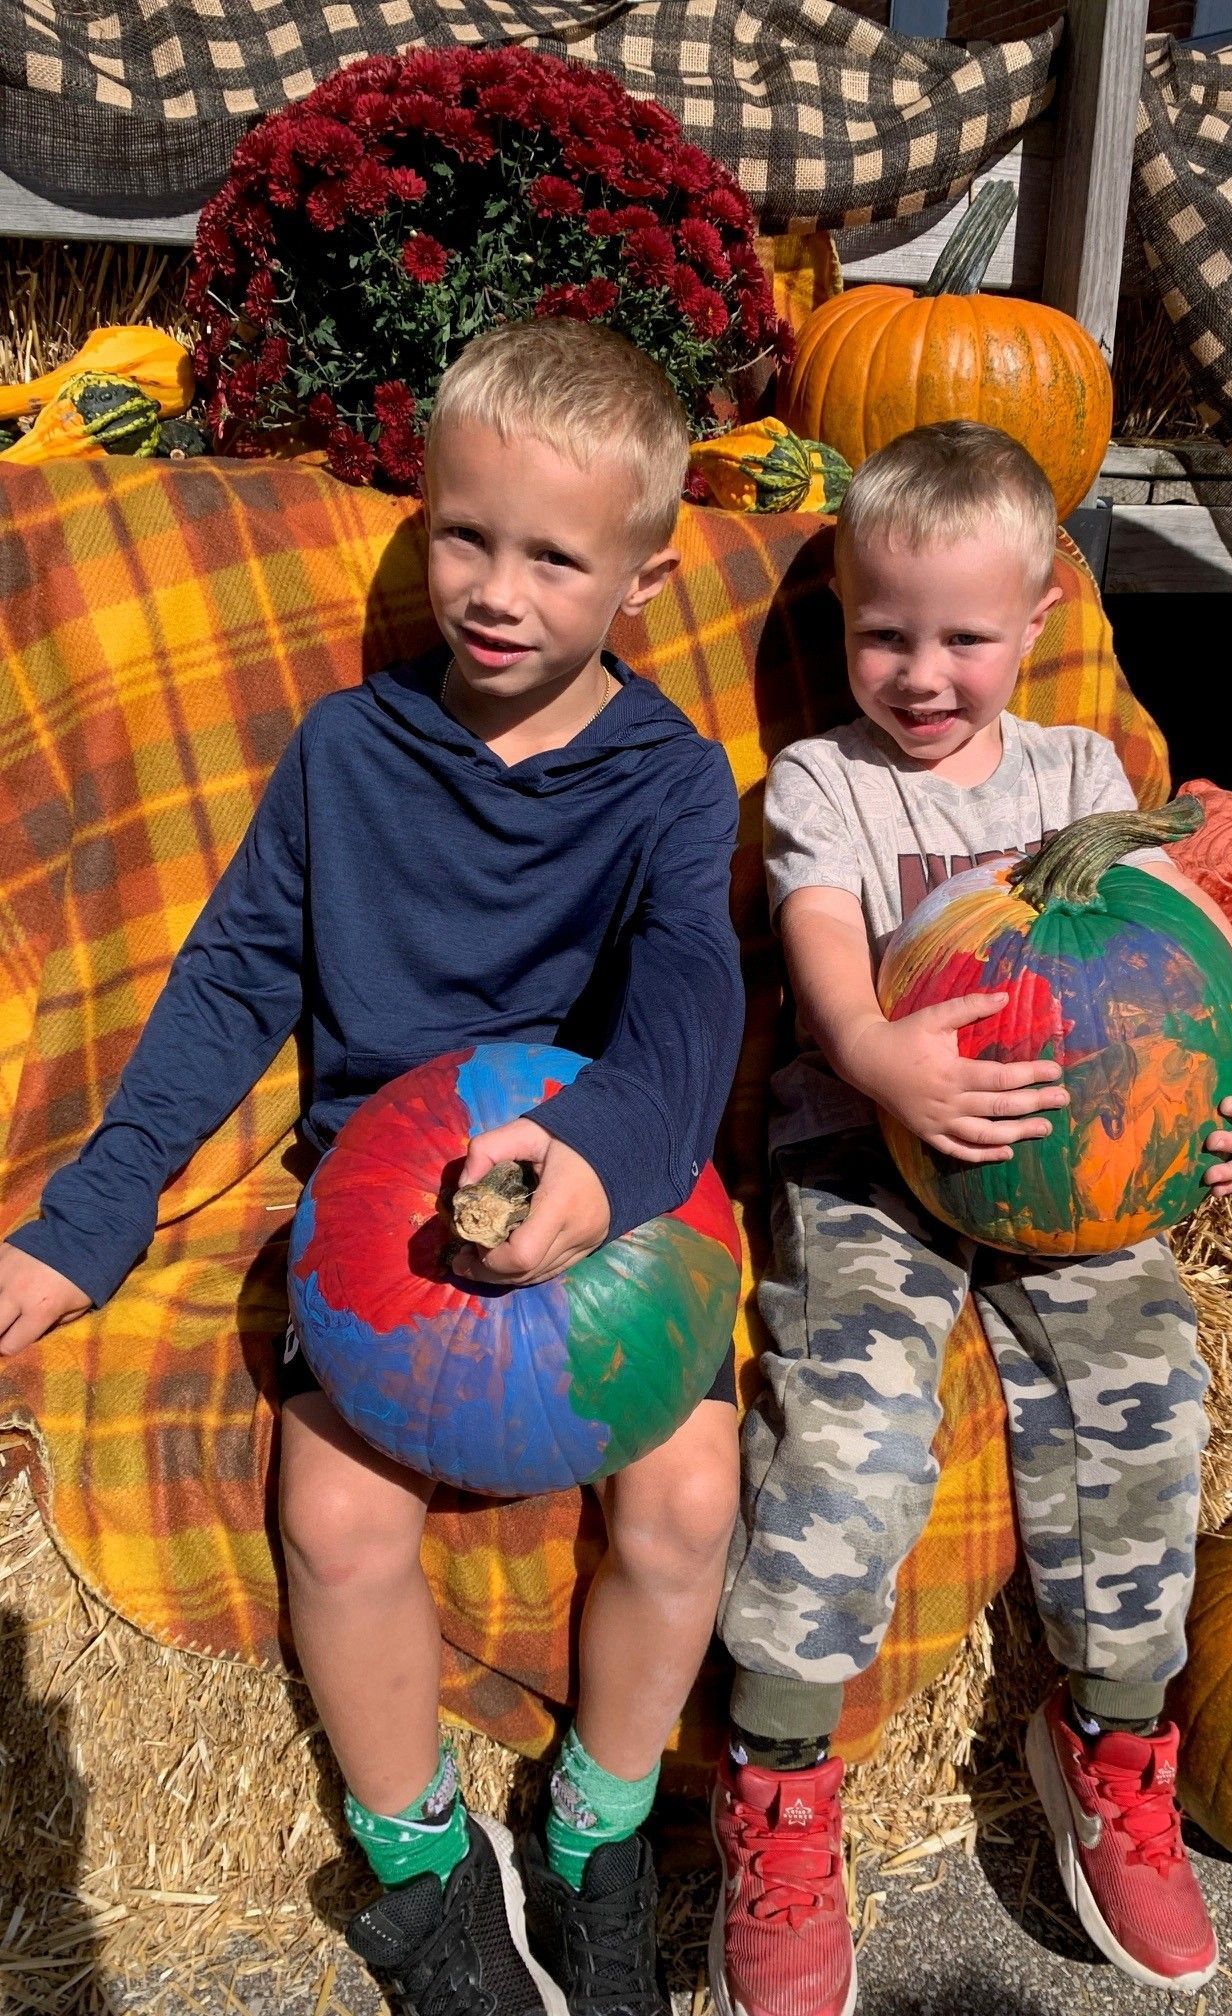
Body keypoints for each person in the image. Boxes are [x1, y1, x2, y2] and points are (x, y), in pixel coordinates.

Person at [0, 319, 746, 2016]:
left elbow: (694, 1002)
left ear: (642, 575)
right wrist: (85, 1227)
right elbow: (235, 981)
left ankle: (599, 1828)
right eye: (464, 533)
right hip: (380, 1204)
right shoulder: (347, 754)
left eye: (555, 556)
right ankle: (419, 1864)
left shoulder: (672, 784)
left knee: (691, 1496)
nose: (496, 586)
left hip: (604, 1193)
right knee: (335, 1524)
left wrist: (605, 1158)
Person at [711, 420, 1232, 2014]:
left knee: (1151, 1398)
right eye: (881, 631)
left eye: (964, 637)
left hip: (1080, 1173)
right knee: (847, 1418)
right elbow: (825, 932)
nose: (919, 672)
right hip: (868, 1159)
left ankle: (1112, 1735)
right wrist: (870, 1053)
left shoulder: (1075, 773)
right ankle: (778, 1777)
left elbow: (1179, 913)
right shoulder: (826, 783)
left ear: (1041, 620)